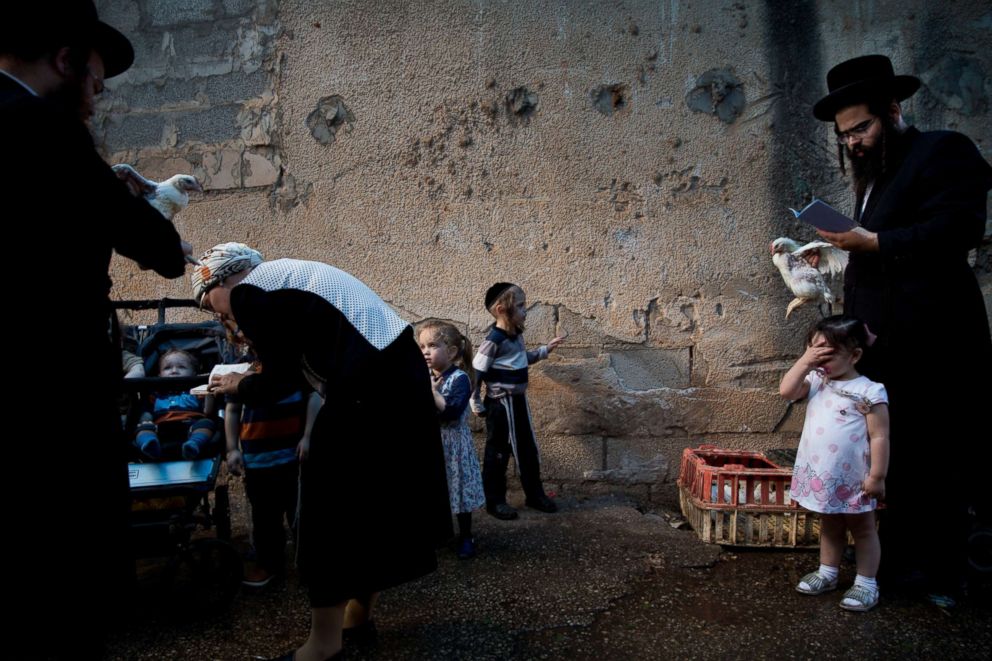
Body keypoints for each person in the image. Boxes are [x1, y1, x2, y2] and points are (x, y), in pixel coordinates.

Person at [2, 3, 189, 656]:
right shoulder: (44, 127)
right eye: (96, 81)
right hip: (52, 409)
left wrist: (91, 189)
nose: (95, 96)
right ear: (64, 60)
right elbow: (161, 250)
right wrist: (142, 200)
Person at [194, 243, 451, 661]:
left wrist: (237, 385)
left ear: (223, 279)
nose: (221, 315)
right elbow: (297, 367)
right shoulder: (285, 280)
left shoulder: (250, 292)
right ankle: (357, 618)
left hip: (368, 393)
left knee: (326, 507)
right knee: (368, 505)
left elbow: (280, 382)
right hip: (396, 385)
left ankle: (322, 646)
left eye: (211, 304)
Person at [812, 54, 992, 603]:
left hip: (937, 342)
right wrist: (834, 256)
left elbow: (958, 228)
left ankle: (946, 577)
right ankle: (902, 570)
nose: (853, 144)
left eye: (861, 128)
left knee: (941, 457)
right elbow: (875, 256)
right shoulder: (874, 176)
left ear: (892, 111)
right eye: (844, 136)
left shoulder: (943, 150)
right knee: (896, 461)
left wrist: (875, 242)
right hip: (882, 344)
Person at [781, 316, 889, 612]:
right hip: (824, 475)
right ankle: (828, 572)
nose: (819, 360)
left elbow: (879, 436)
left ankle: (867, 584)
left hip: (855, 478)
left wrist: (877, 476)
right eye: (814, 352)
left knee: (864, 528)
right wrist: (805, 361)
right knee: (829, 524)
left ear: (854, 355)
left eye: (827, 355)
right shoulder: (816, 381)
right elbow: (787, 391)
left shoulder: (869, 391)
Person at [470, 283, 565, 520]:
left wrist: (544, 351)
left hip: (518, 402)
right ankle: (494, 501)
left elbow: (520, 360)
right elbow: (477, 370)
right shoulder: (494, 339)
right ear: (502, 309)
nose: (525, 311)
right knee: (498, 452)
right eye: (521, 306)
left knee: (527, 449)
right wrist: (475, 400)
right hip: (500, 405)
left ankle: (534, 495)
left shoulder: (516, 335)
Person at [226, 360, 322, 587]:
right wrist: (231, 449)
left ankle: (309, 564)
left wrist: (308, 436)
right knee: (264, 517)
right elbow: (232, 409)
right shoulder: (241, 370)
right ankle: (269, 564)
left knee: (301, 514)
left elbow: (315, 396)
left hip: (294, 458)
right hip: (258, 461)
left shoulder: (294, 367)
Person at [417, 319, 486, 559]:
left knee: (459, 491)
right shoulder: (423, 376)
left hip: (454, 445)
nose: (425, 351)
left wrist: (432, 393)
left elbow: (450, 412)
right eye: (422, 346)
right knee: (435, 491)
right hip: (431, 444)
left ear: (452, 351)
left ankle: (466, 536)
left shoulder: (461, 379)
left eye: (432, 345)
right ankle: (438, 533)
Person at [134, 349, 217, 460]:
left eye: (181, 367)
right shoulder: (155, 394)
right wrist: (146, 420)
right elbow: (147, 411)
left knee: (207, 424)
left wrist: (208, 389)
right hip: (160, 426)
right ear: (159, 374)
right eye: (167, 368)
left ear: (194, 373)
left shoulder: (196, 391)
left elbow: (208, 411)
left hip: (191, 424)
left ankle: (194, 444)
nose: (174, 371)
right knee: (142, 428)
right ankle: (150, 445)